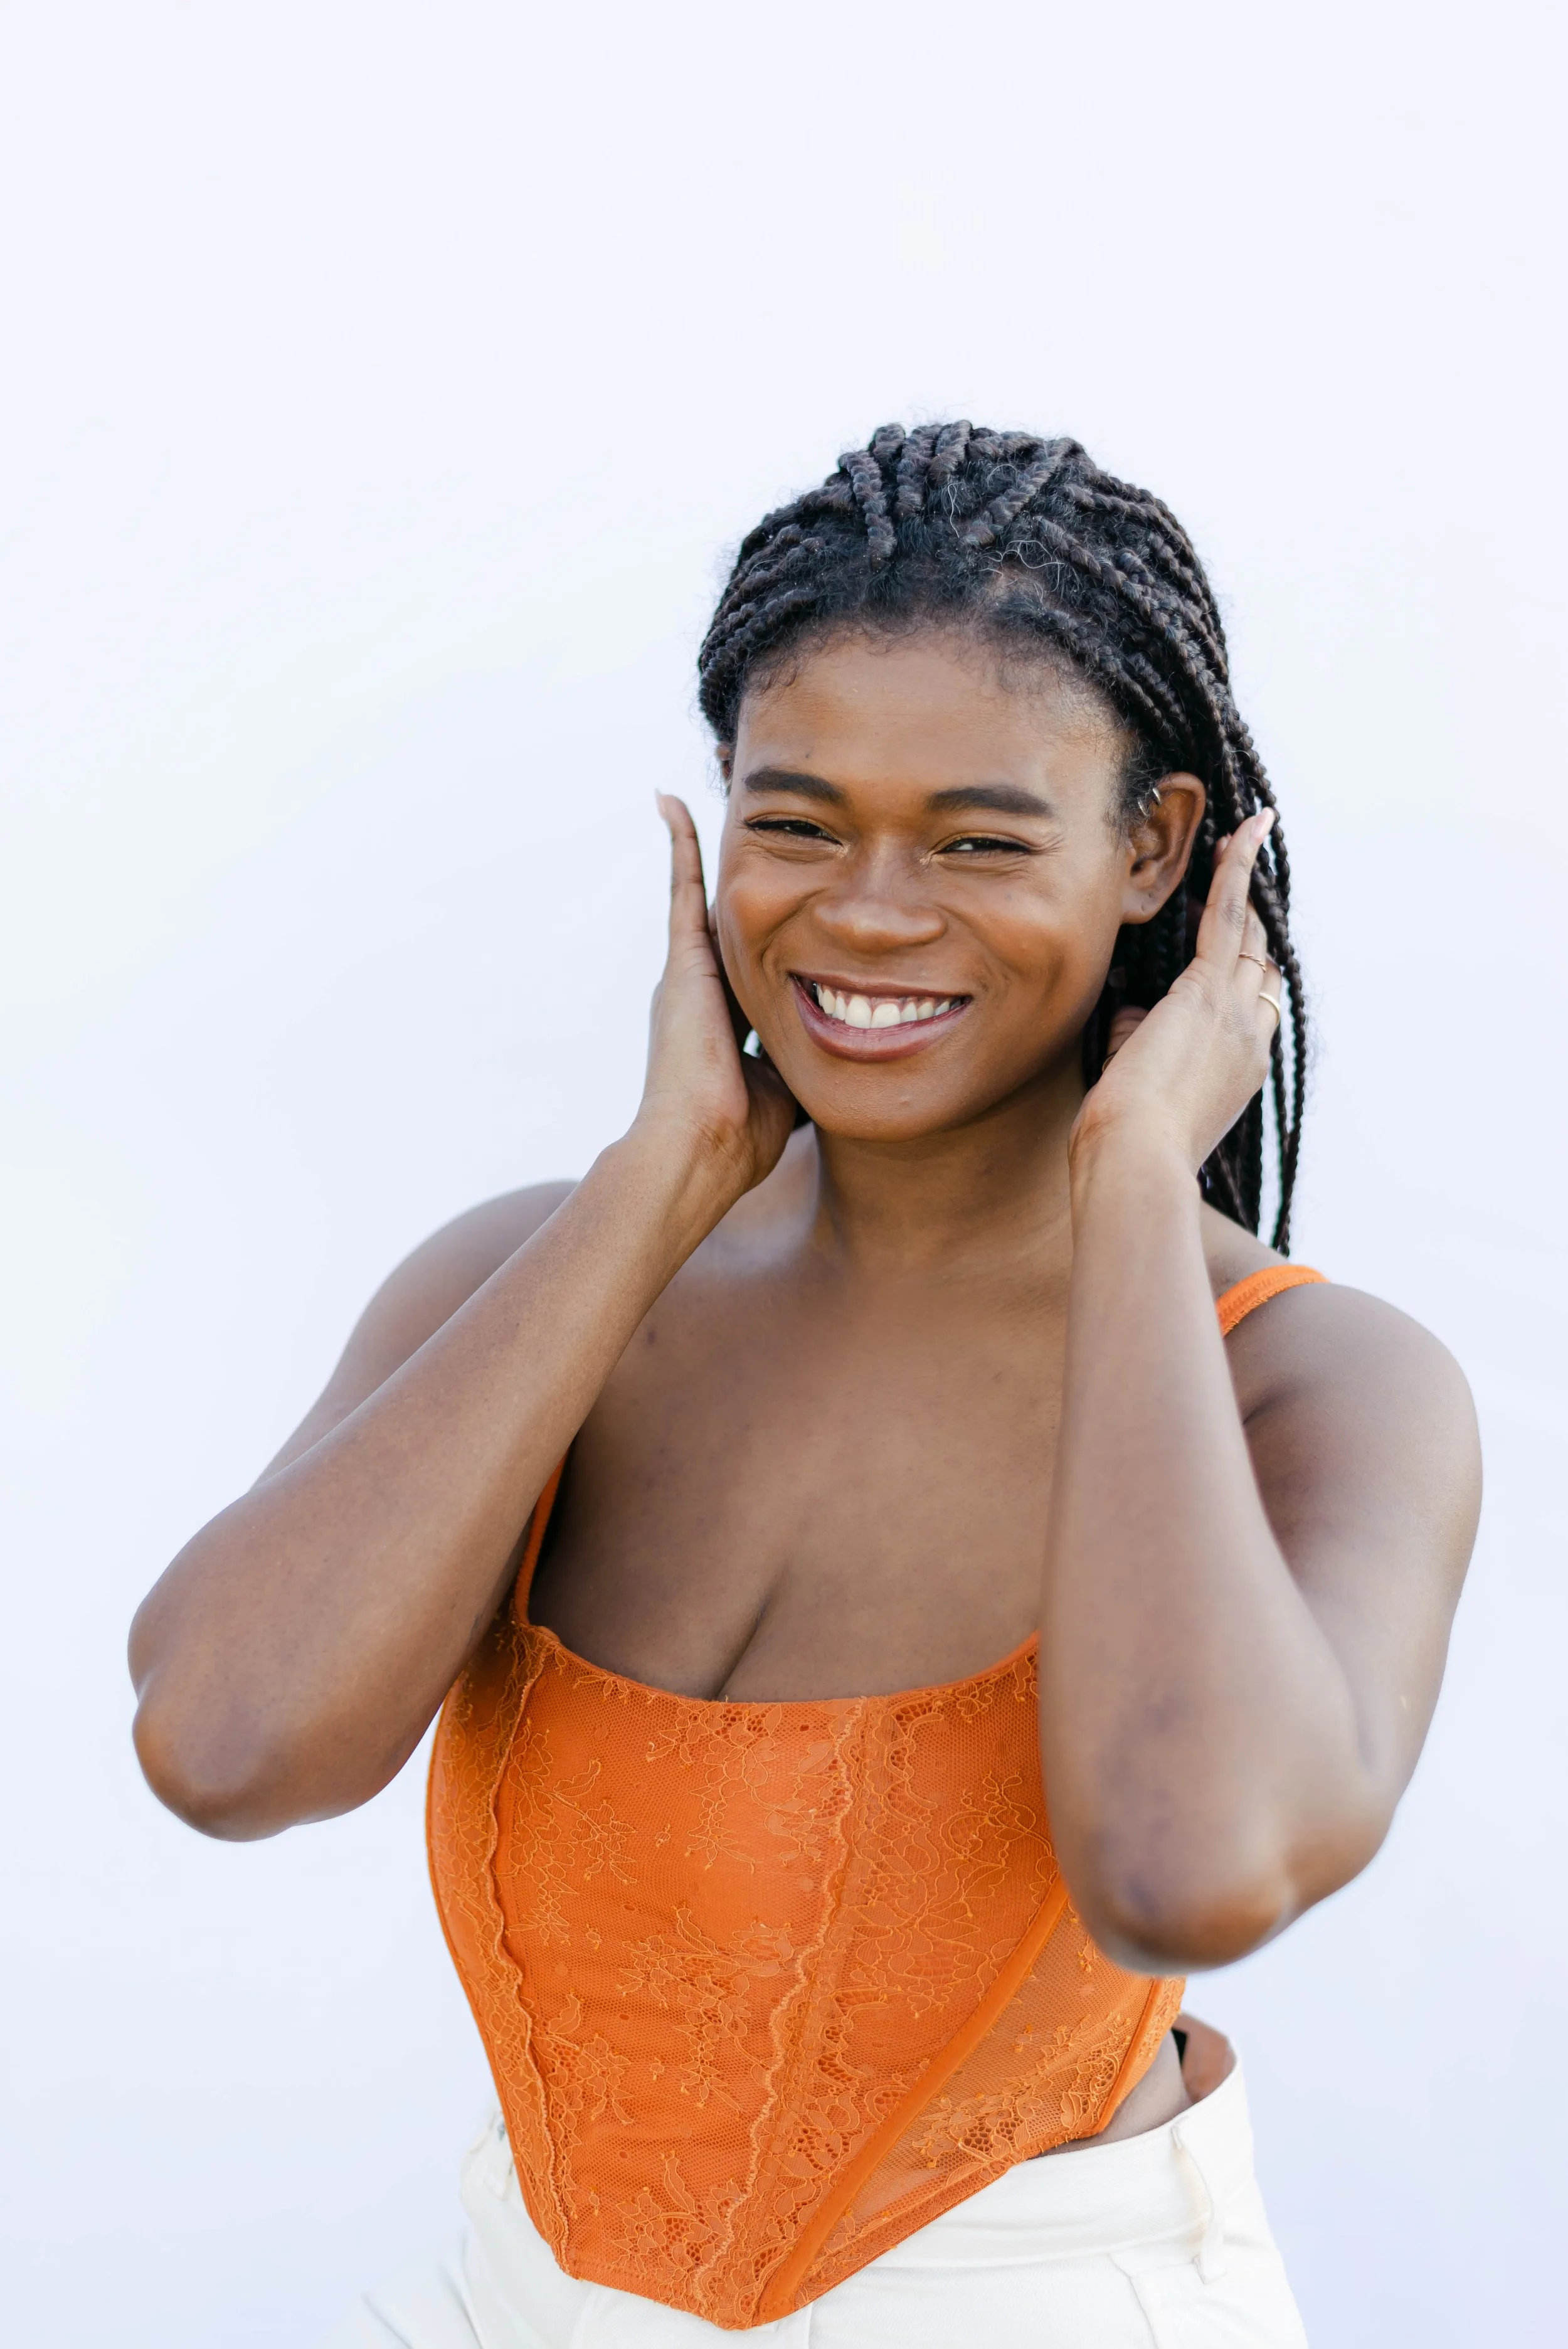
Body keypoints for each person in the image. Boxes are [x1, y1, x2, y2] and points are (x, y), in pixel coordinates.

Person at [129, 425, 1480, 2346]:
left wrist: (1124, 1197)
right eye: (795, 819)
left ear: (1156, 851)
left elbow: (1187, 1874)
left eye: (979, 840)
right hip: (508, 2296)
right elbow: (226, 1748)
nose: (863, 911)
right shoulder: (543, 1277)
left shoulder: (1319, 1385)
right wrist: (653, 1184)